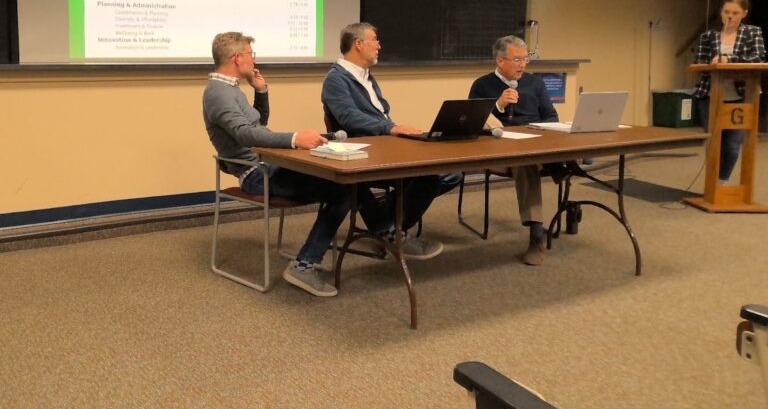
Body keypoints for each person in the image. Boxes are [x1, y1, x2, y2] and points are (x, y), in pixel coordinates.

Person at [203, 32, 349, 297]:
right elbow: (246, 135)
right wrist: (294, 139)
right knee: (341, 190)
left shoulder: (231, 89)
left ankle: (382, 229)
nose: (253, 59)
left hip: (267, 166)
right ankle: (304, 265)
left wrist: (261, 92)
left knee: (342, 181)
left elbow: (258, 124)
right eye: (250, 54)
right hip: (256, 175)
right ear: (237, 58)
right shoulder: (218, 94)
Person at [321, 22, 459, 259]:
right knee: (427, 178)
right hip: (365, 149)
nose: (379, 46)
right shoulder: (336, 79)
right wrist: (393, 128)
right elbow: (348, 117)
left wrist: (399, 132)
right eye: (375, 40)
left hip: (386, 144)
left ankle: (387, 225)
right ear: (358, 44)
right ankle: (390, 232)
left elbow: (380, 114)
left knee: (451, 172)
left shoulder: (366, 77)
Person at [469, 35, 569, 266]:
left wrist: (541, 131)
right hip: (498, 150)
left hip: (534, 142)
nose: (522, 65)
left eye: (525, 59)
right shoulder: (482, 84)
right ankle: (536, 233)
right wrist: (498, 106)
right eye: (517, 60)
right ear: (500, 61)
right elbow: (473, 121)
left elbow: (551, 117)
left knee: (538, 156)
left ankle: (562, 169)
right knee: (525, 162)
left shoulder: (534, 83)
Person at [692, 0, 765, 184]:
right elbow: (698, 62)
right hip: (710, 95)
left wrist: (729, 60)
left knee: (732, 146)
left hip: (742, 97)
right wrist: (711, 63)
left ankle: (721, 182)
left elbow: (758, 59)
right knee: (715, 143)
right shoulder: (709, 36)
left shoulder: (753, 33)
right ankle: (712, 185)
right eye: (726, 12)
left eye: (735, 13)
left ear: (744, 14)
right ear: (721, 12)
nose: (730, 17)